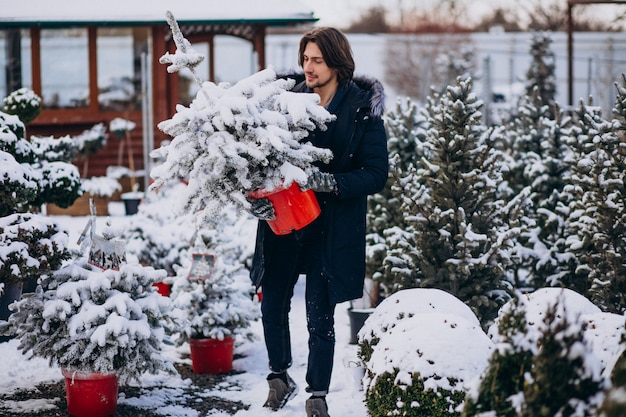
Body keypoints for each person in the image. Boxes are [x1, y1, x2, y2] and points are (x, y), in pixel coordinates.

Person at [248, 27, 388, 417]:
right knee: (272, 300)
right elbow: (254, 163)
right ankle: (278, 378)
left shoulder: (361, 110)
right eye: (305, 58)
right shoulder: (282, 100)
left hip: (331, 228)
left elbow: (377, 173)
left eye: (317, 61)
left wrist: (333, 183)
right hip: (283, 222)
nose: (307, 67)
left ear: (337, 64)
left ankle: (317, 396)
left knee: (318, 313)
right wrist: (254, 200)